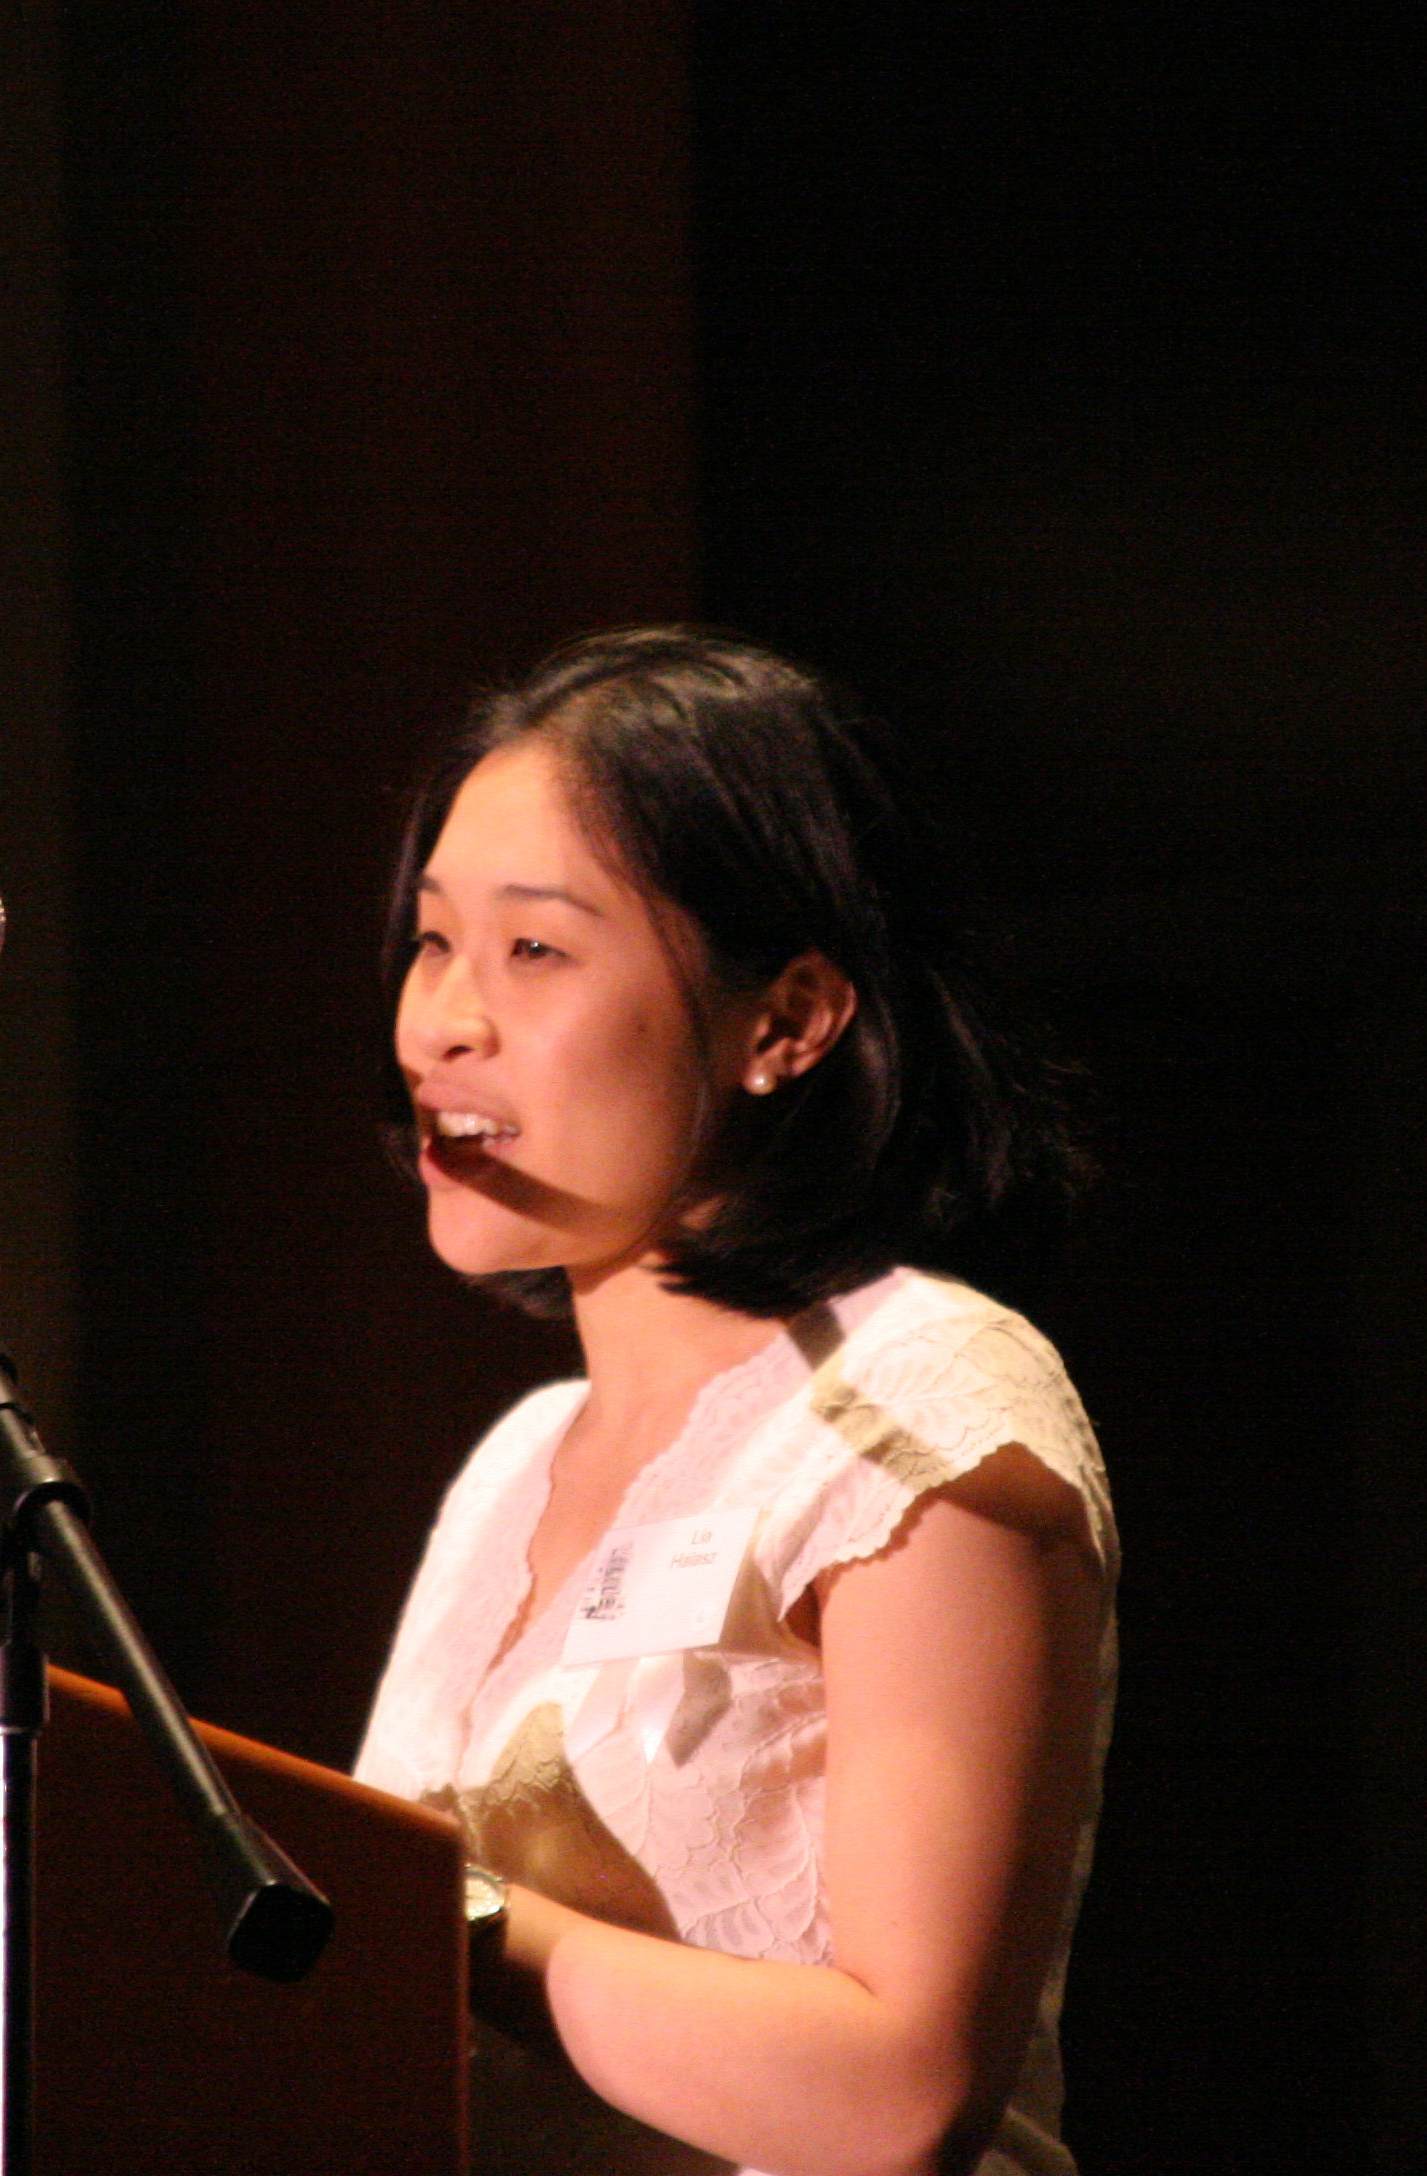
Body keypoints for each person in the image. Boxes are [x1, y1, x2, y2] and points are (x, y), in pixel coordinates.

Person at [353, 628, 1114, 2176]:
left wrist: (446, 1922)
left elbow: (902, 2092)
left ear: (785, 1021)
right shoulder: (513, 1465)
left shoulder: (920, 1399)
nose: (442, 1021)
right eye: (434, 942)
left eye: (535, 951)